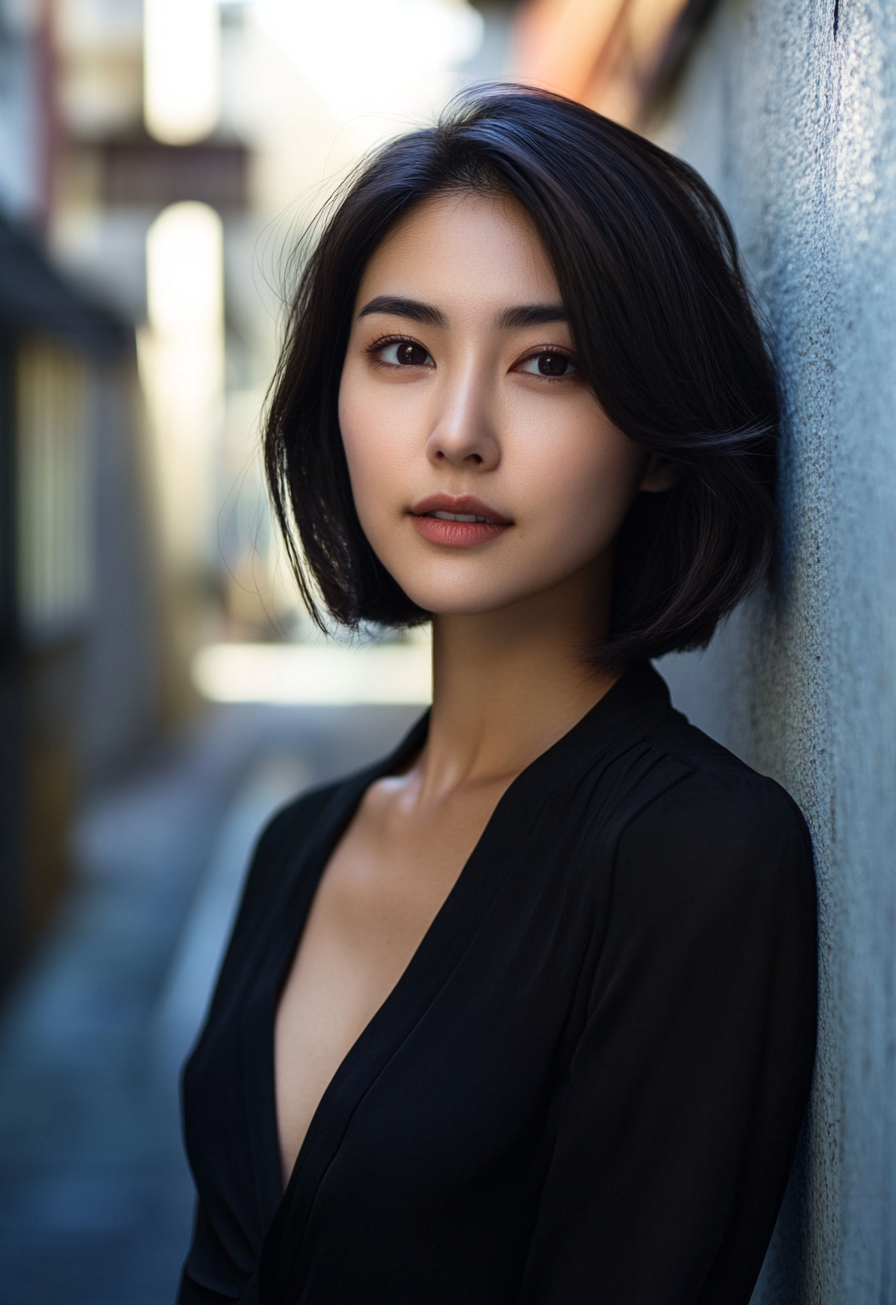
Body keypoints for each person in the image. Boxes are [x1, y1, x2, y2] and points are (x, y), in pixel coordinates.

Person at [177, 87, 817, 1305]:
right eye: (402, 351)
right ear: (335, 396)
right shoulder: (293, 846)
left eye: (549, 362)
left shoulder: (696, 860)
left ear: (663, 438)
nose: (457, 432)